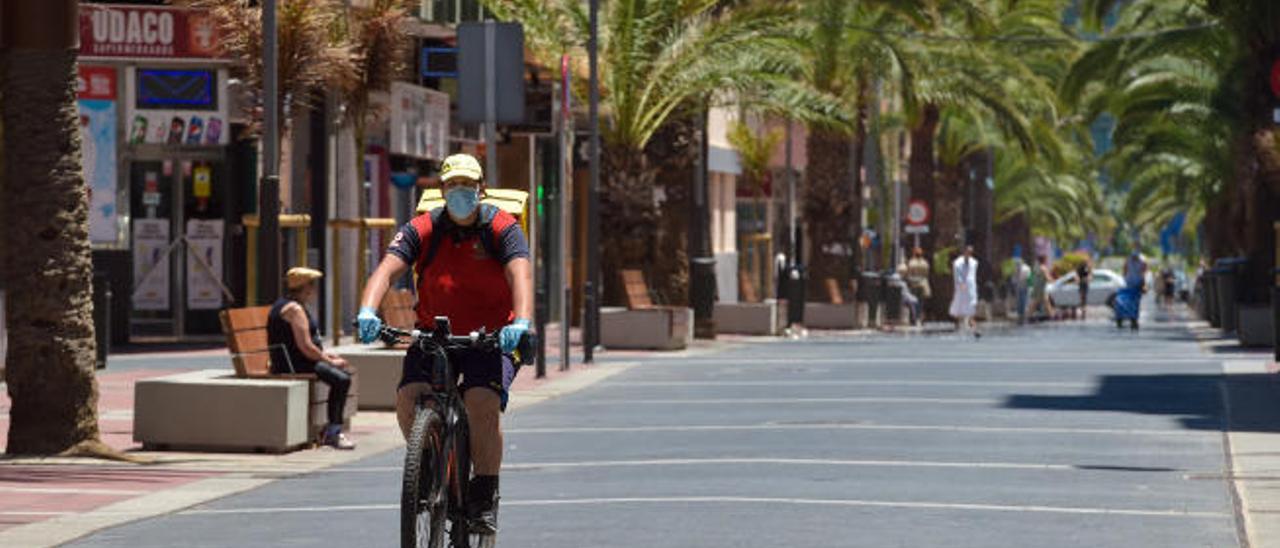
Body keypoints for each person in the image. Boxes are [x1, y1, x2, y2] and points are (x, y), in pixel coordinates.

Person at [356, 153, 532, 534]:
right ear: (441, 189)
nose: (461, 193)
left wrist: (520, 321)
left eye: (468, 185)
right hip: (434, 334)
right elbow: (387, 268)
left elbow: (520, 273)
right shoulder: (424, 227)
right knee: (409, 396)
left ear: (481, 189)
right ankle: (429, 464)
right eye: (453, 185)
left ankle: (483, 495)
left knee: (480, 402)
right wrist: (368, 311)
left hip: (491, 338)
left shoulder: (502, 227)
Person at [267, 267, 355, 450]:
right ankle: (333, 432)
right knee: (342, 379)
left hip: (296, 360)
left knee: (342, 375)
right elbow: (305, 347)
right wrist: (329, 361)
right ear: (304, 287)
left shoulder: (291, 305)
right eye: (312, 285)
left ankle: (332, 429)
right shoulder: (294, 309)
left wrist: (325, 355)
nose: (315, 289)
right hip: (294, 364)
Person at [949, 245, 980, 337]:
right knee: (959, 309)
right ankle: (958, 325)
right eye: (968, 252)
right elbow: (957, 274)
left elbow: (972, 275)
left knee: (971, 309)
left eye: (971, 252)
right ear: (964, 252)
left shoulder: (974, 262)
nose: (969, 254)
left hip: (971, 289)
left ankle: (974, 329)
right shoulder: (957, 263)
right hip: (961, 289)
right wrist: (960, 283)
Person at [1114, 249, 1148, 329]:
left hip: (1138, 284)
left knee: (1135, 302)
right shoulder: (1128, 260)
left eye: (1136, 257)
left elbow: (1144, 272)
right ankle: (1124, 317)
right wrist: (1124, 279)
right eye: (1133, 257)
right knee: (1124, 300)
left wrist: (1144, 284)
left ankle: (1134, 319)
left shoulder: (1142, 260)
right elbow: (1124, 270)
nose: (1134, 258)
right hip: (1128, 284)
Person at [905, 246, 931, 321]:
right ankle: (919, 316)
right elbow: (927, 273)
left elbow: (908, 273)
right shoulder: (925, 263)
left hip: (914, 284)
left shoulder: (911, 262)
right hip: (923, 284)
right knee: (921, 302)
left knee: (913, 301)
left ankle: (913, 317)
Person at [1027, 255, 1055, 321]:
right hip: (1041, 288)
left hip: (1036, 287)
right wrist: (1054, 280)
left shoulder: (1036, 267)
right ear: (1044, 260)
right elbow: (1048, 278)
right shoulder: (1043, 268)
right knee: (1041, 302)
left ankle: (1028, 316)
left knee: (1042, 302)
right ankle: (1051, 316)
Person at [1012, 257, 1032, 325]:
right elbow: (1014, 278)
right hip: (1019, 287)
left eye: (1017, 264)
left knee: (1024, 301)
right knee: (1019, 301)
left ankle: (1024, 316)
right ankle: (1020, 315)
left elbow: (1025, 278)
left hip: (1025, 287)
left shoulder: (1025, 269)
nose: (1016, 265)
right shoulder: (1016, 268)